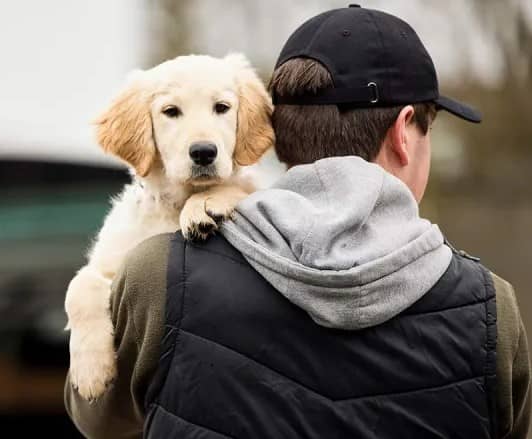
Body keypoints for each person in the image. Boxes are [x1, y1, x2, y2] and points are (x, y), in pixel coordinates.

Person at [65, 4, 530, 438]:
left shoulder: (156, 275)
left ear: (275, 135)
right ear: (405, 132)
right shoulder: (490, 309)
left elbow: (99, 420)